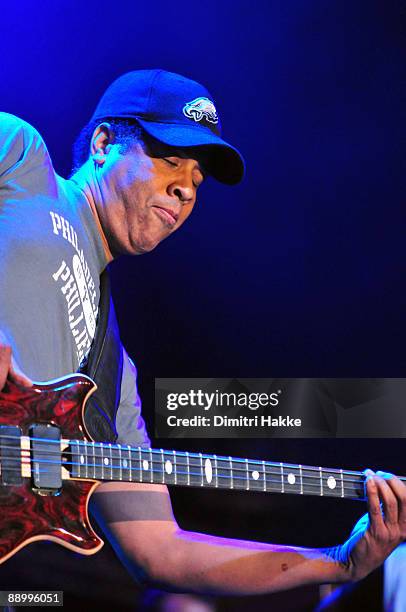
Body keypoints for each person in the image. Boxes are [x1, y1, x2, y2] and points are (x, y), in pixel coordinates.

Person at [0, 69, 405, 598]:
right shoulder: (24, 159)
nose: (185, 188)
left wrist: (340, 562)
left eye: (197, 178)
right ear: (103, 143)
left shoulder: (113, 377)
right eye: (170, 159)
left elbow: (163, 551)